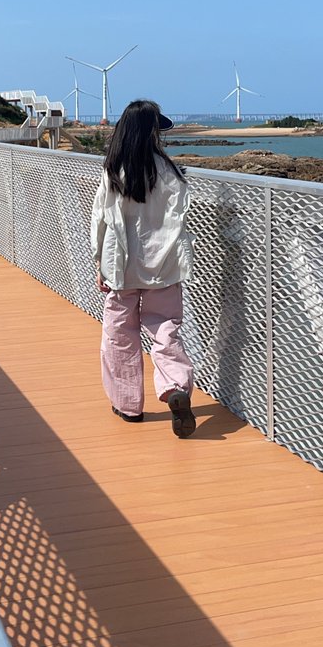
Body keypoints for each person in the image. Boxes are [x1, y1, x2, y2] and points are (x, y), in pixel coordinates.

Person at [90, 99, 197, 438]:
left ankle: (128, 405)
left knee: (119, 335)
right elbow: (179, 219)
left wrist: (99, 263)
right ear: (152, 132)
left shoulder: (114, 171)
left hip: (121, 266)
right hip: (163, 265)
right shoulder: (170, 172)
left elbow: (100, 222)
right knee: (165, 329)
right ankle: (175, 387)